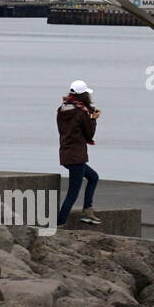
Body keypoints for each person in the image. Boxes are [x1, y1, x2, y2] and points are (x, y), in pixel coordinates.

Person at [57, 80, 101, 227]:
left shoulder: (62, 110)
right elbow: (89, 135)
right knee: (72, 193)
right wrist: (93, 119)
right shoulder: (81, 113)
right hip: (77, 156)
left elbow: (69, 130)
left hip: (66, 153)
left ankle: (87, 212)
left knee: (93, 177)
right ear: (84, 95)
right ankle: (60, 223)